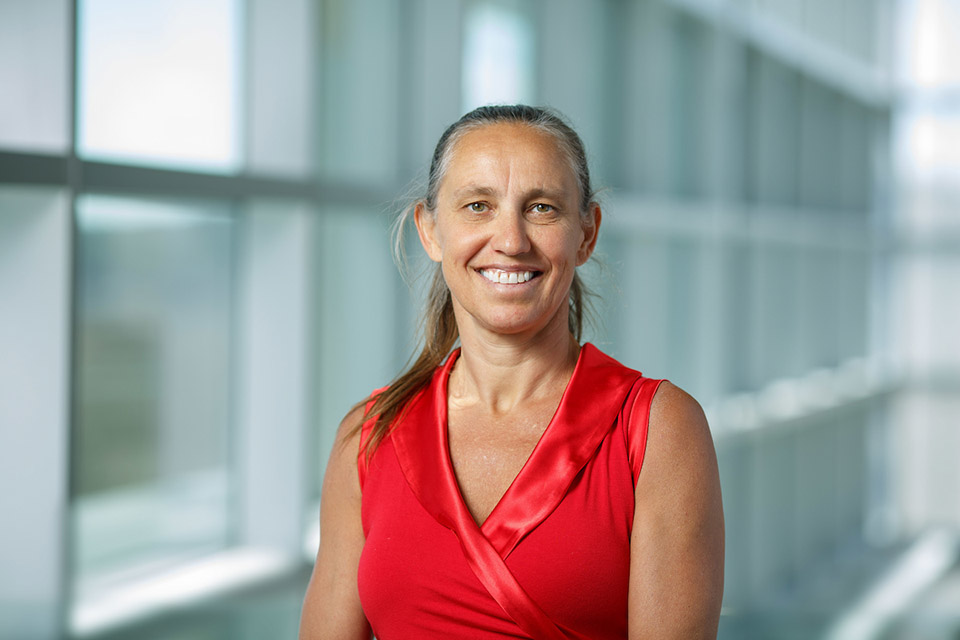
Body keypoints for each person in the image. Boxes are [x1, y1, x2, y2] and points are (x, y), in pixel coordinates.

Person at [299, 105, 724, 639]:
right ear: (430, 231)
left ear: (587, 233)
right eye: (478, 206)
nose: (512, 240)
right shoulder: (369, 434)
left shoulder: (656, 430)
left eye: (542, 208)